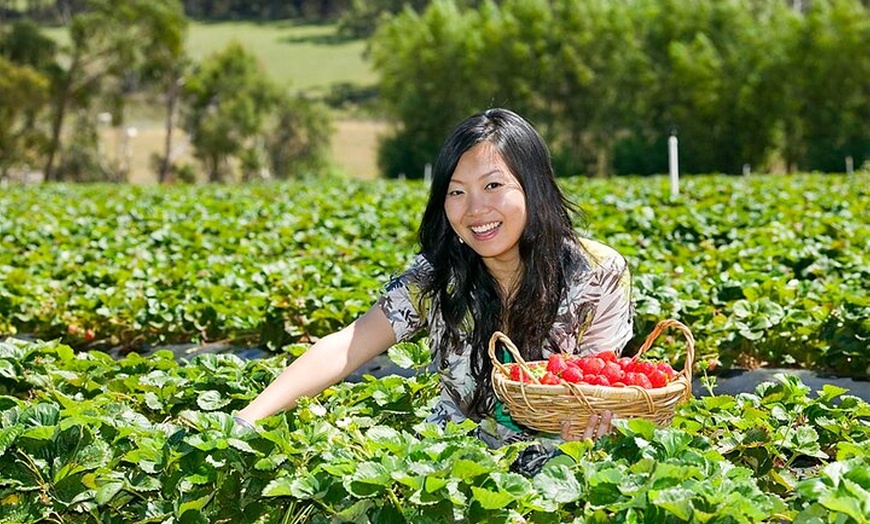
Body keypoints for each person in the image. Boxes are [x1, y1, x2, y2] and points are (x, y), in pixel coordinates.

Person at [235, 108, 633, 473]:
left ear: (534, 186)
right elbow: (347, 345)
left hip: (558, 464)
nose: (475, 209)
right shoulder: (437, 275)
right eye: (456, 191)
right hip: (446, 465)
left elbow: (595, 383)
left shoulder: (596, 273)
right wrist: (247, 420)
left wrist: (593, 420)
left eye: (493, 185)